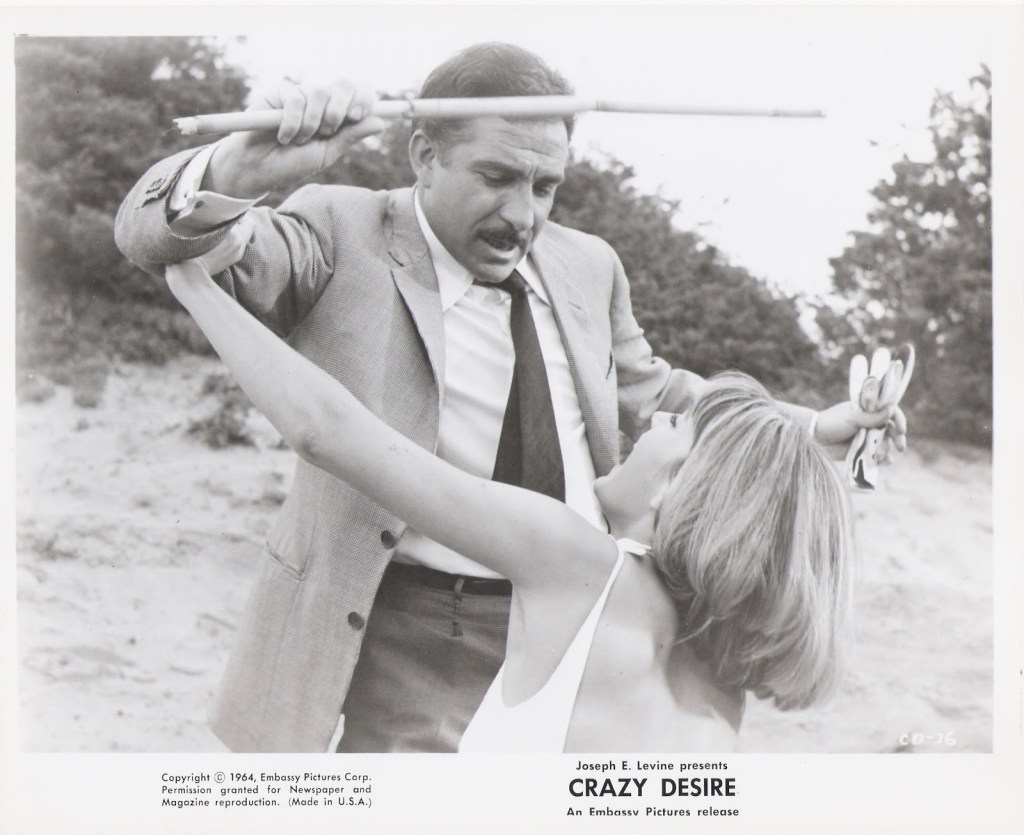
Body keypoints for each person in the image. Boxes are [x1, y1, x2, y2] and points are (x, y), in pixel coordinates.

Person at [115, 42, 905, 752]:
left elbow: (659, 394)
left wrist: (812, 427)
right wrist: (235, 174)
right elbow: (158, 241)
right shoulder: (339, 228)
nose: (523, 214)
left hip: (581, 617)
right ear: (425, 154)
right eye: (496, 178)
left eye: (545, 185)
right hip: (405, 619)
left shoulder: (590, 265)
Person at [165, 256, 864, 751]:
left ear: (689, 486)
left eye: (675, 425)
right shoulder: (720, 677)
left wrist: (194, 284)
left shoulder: (574, 563)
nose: (653, 420)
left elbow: (328, 432)